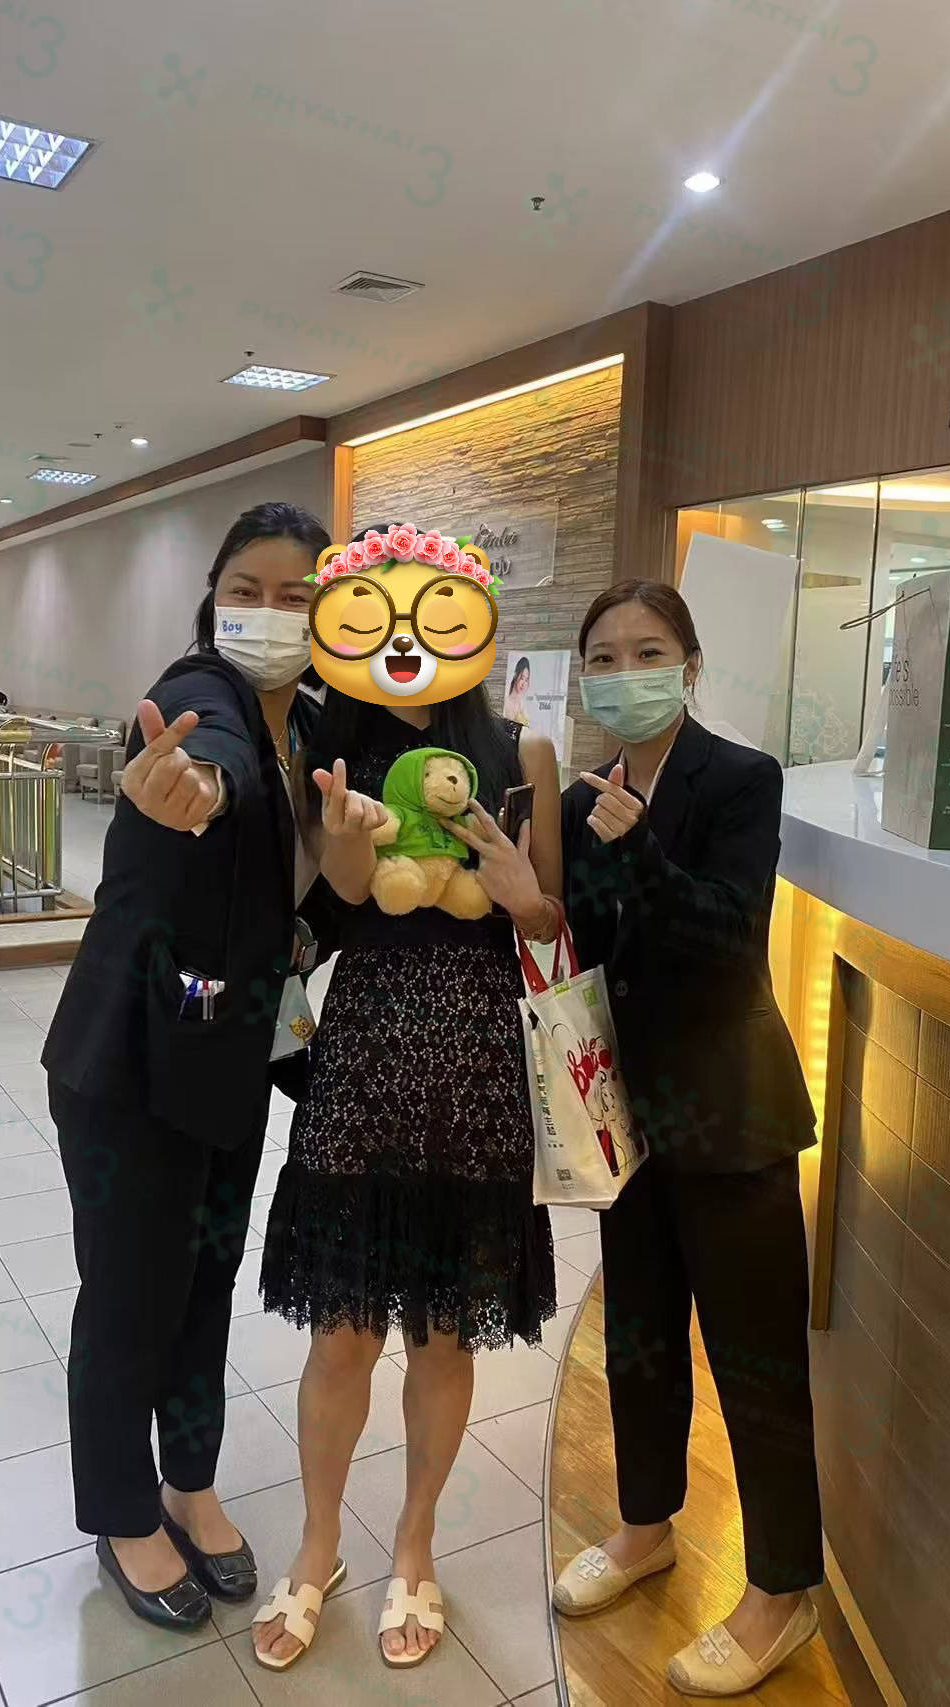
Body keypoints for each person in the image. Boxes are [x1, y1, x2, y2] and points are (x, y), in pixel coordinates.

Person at [249, 523, 563, 1673]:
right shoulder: (331, 747)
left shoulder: (521, 752)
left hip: (476, 1065)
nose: (406, 642)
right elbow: (334, 907)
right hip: (365, 1054)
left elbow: (549, 924)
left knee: (441, 1331)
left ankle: (416, 1547)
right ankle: (318, 1545)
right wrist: (341, 848)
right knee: (341, 1332)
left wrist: (522, 890)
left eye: (431, 616)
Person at [41, 502, 331, 1632]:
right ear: (213, 599)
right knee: (131, 1294)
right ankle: (123, 1512)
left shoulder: (313, 727)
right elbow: (209, 757)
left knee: (203, 1284)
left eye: (297, 594)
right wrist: (196, 786)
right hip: (128, 1061)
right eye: (246, 589)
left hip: (226, 1055)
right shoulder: (202, 696)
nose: (269, 612)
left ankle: (190, 1483)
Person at [553, 580, 823, 1698]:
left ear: (690, 665)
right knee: (641, 1337)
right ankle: (644, 1525)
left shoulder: (741, 779)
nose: (625, 674)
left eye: (647, 651)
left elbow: (729, 936)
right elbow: (588, 945)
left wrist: (644, 855)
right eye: (604, 657)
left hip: (730, 1114)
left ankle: (782, 1592)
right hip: (628, 1115)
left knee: (755, 1359)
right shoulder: (584, 796)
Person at [503, 655, 532, 724]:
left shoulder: (521, 704)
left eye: (526, 680)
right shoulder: (507, 703)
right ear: (515, 675)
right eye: (522, 678)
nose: (524, 683)